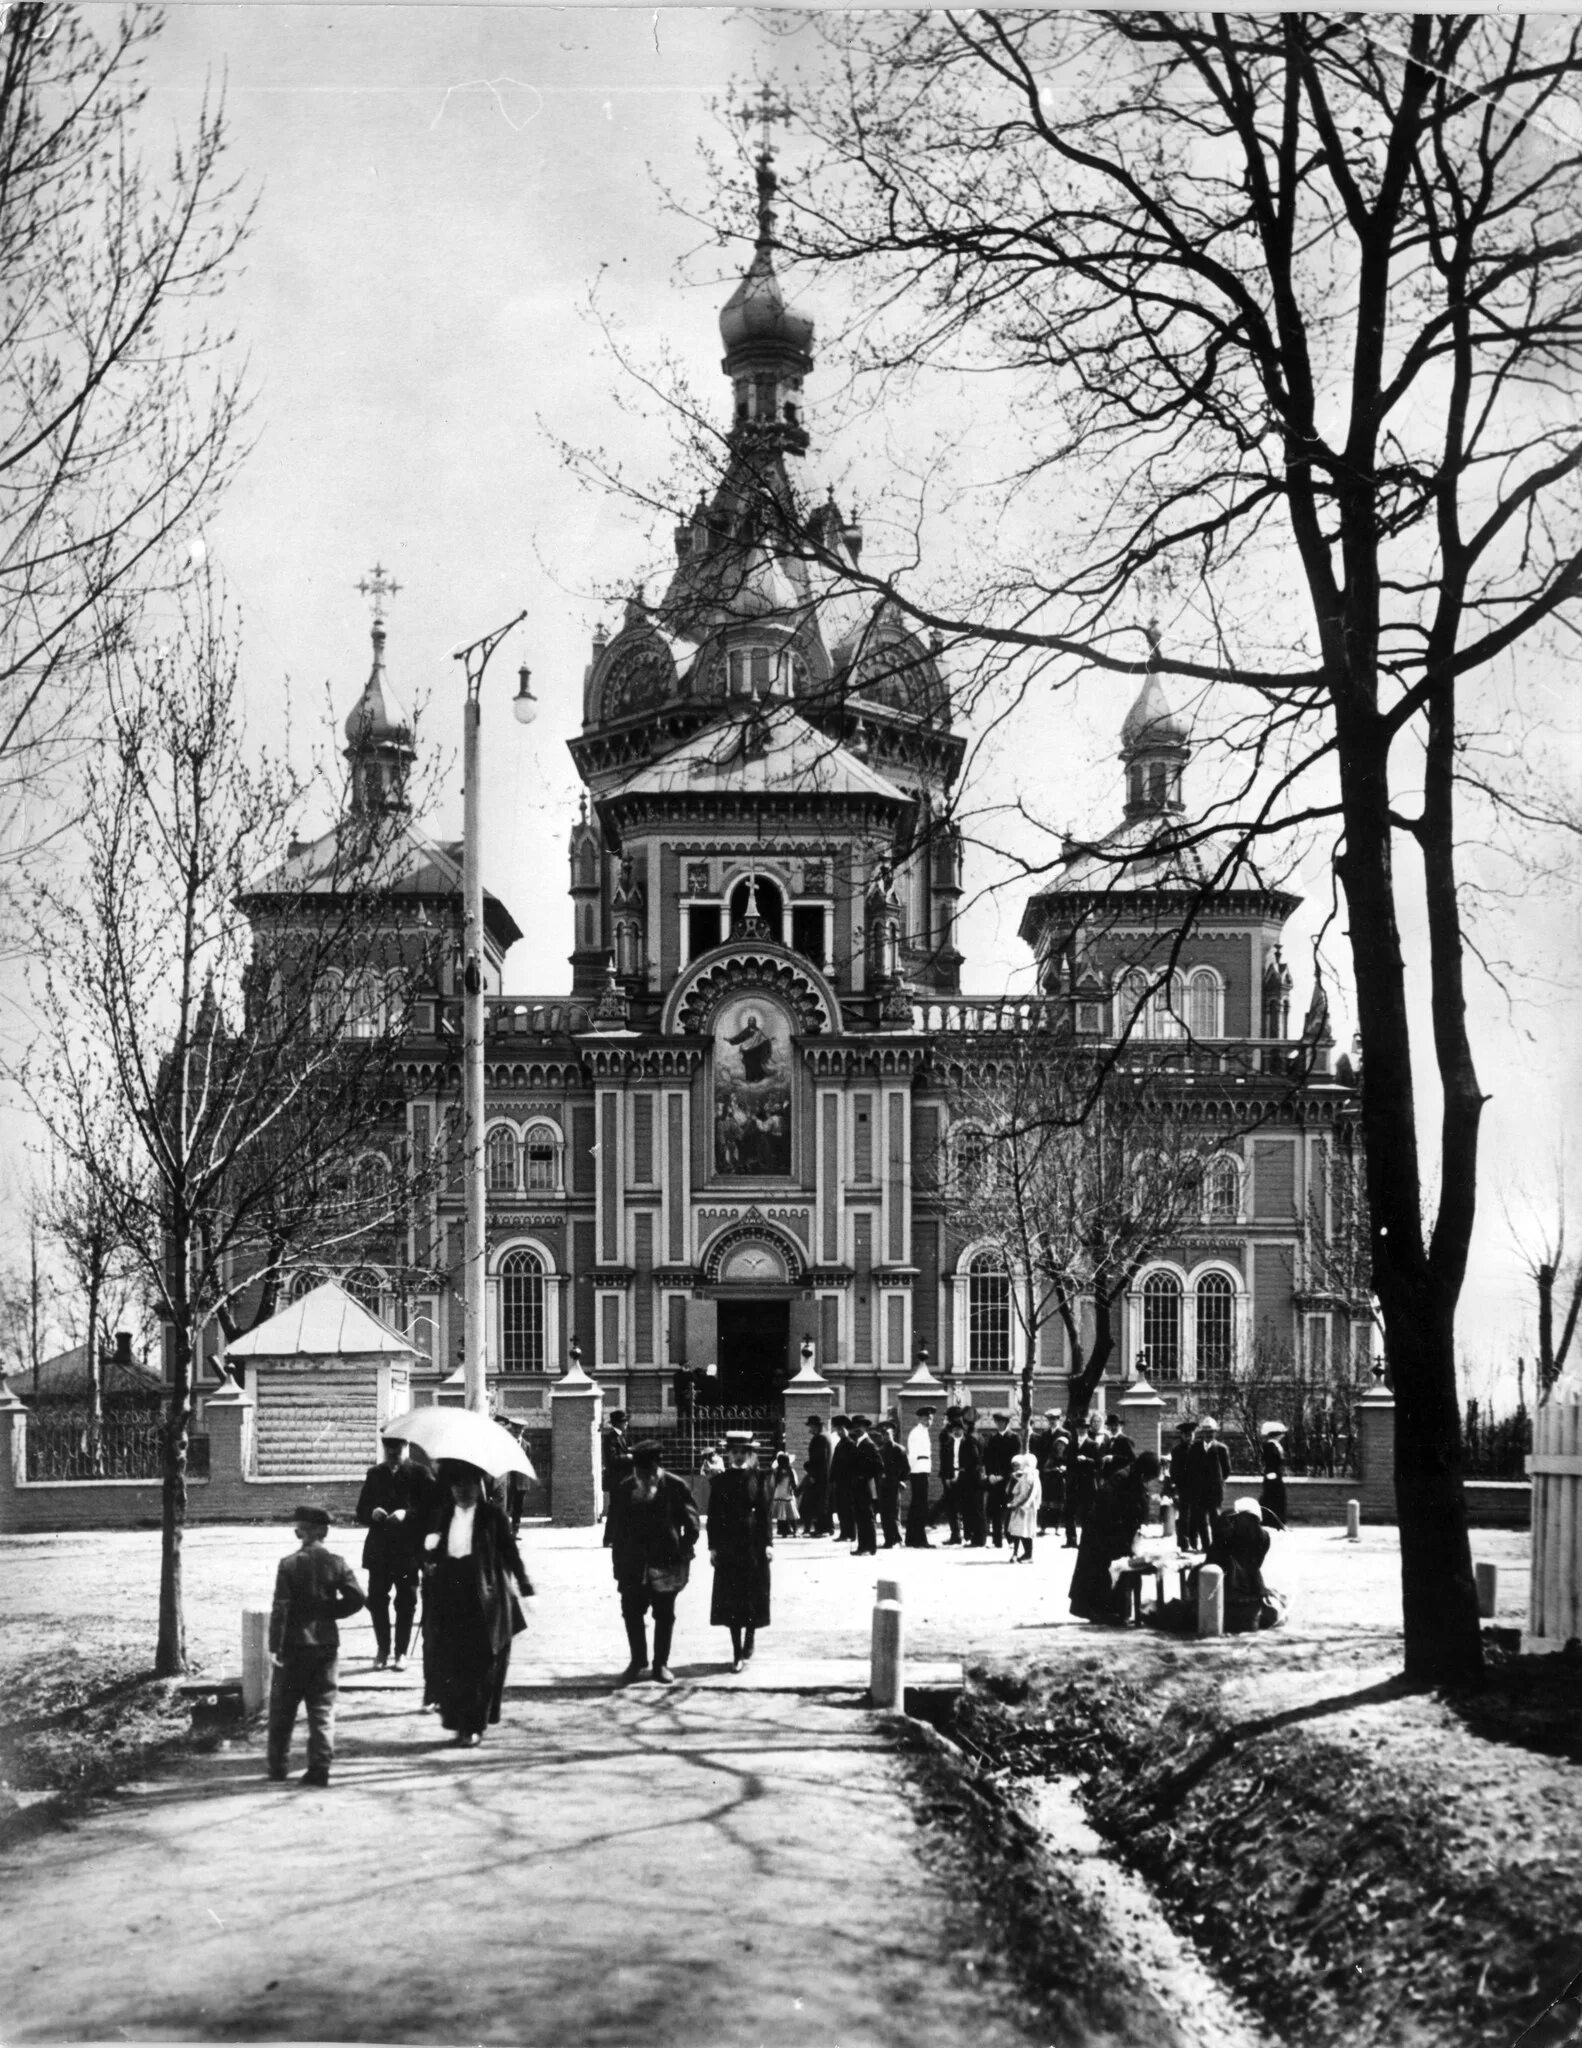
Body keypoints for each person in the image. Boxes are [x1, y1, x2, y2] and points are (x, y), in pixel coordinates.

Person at [420, 1461, 533, 1746]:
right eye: (457, 1486)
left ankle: (474, 1726)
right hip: (449, 1593)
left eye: (468, 1486)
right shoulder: (443, 1514)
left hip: (484, 1595)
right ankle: (457, 1721)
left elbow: (510, 1552)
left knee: (480, 1665)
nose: (462, 1491)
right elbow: (431, 1551)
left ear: (479, 1486)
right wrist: (429, 1560)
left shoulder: (492, 1516)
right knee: (452, 1661)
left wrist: (524, 1583)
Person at [267, 1504, 366, 1786]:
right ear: (325, 1532)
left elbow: (281, 1608)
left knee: (283, 1710)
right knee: (322, 1709)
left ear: (300, 1532)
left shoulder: (288, 1564)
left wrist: (275, 1645)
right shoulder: (337, 1562)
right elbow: (357, 1597)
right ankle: (320, 1767)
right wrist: (330, 1611)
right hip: (325, 1644)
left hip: (294, 1645)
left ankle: (278, 1767)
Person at [606, 1439, 700, 1685]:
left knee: (664, 1614)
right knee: (631, 1612)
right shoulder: (626, 1488)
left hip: (666, 1563)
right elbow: (617, 1531)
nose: (641, 1476)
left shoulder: (675, 1486)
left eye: (646, 1471)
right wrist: (618, 1566)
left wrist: (682, 1550)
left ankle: (660, 1664)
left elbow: (692, 1524)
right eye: (638, 1470)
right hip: (632, 1565)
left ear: (657, 1466)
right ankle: (638, 1661)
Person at [354, 1436, 425, 1671]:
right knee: (377, 1601)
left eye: (398, 1447)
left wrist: (408, 1514)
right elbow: (361, 1510)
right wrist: (371, 1512)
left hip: (408, 1552)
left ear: (407, 1446)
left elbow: (432, 1510)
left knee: (406, 1603)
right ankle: (382, 1650)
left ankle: (401, 1653)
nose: (393, 1452)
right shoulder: (375, 1473)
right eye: (389, 1448)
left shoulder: (420, 1474)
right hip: (380, 1551)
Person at [1068, 1451, 1161, 1625]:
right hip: (1102, 1531)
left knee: (1115, 1569)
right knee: (1099, 1571)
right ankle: (1099, 1611)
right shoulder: (1121, 1478)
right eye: (1148, 1477)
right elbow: (1110, 1507)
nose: (1147, 1481)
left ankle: (1115, 1611)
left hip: (1114, 1531)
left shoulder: (1132, 1476)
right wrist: (1122, 1533)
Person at [708, 1431, 773, 1670]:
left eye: (742, 1453)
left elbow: (765, 1514)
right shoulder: (719, 1481)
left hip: (753, 1546)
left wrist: (768, 1544)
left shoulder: (759, 1478)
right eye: (733, 1452)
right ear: (728, 1454)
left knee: (752, 1594)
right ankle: (736, 1652)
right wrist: (713, 1547)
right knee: (732, 1599)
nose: (737, 1456)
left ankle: (750, 1637)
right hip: (728, 1546)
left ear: (750, 1454)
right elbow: (713, 1516)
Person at [1206, 1497, 1280, 1631]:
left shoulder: (1226, 1533)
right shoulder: (1264, 1537)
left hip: (1223, 1592)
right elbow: (1256, 1566)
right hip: (1249, 1590)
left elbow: (1212, 1558)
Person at [1183, 1416, 1232, 1551]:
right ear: (1201, 1433)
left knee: (1215, 1519)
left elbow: (1227, 1471)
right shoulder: (1195, 1448)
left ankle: (1216, 1546)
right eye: (1205, 1432)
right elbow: (1189, 1469)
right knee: (1201, 1521)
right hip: (1198, 1492)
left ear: (1215, 1433)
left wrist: (1216, 1482)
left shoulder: (1221, 1449)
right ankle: (1206, 1546)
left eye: (1211, 1432)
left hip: (1215, 1492)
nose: (1208, 1435)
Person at [848, 1416, 884, 1556]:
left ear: (865, 1428)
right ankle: (864, 1545)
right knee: (861, 1516)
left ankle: (869, 1546)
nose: (857, 1428)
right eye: (855, 1425)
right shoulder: (858, 1443)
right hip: (858, 1486)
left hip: (865, 1486)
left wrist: (864, 1475)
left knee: (866, 1516)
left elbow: (879, 1465)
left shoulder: (868, 1444)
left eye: (860, 1426)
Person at [1066, 1417, 1104, 1547]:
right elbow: (1066, 1461)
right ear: (1076, 1429)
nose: (1081, 1430)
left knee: (1086, 1514)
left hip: (1087, 1483)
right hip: (1073, 1483)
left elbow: (1098, 1464)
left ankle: (1085, 1541)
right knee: (1069, 1512)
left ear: (1087, 1429)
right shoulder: (1071, 1444)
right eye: (1079, 1428)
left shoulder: (1093, 1444)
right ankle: (1071, 1540)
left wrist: (1086, 1459)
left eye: (1084, 1428)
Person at [981, 1412, 1016, 1547]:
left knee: (1007, 1511)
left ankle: (1011, 1539)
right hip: (994, 1480)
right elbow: (988, 1459)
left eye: (1002, 1422)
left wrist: (1003, 1475)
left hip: (1008, 1480)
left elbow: (1014, 1461)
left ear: (1007, 1423)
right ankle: (997, 1541)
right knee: (995, 1510)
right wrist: (990, 1475)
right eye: (997, 1422)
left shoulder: (1014, 1438)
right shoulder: (992, 1439)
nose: (1000, 1424)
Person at [905, 1405, 936, 1548]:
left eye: (930, 1418)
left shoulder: (923, 1432)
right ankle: (919, 1539)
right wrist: (912, 1471)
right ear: (920, 1418)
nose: (929, 1420)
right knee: (920, 1506)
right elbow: (912, 1455)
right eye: (926, 1418)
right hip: (918, 1471)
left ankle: (912, 1538)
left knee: (917, 1505)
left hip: (922, 1470)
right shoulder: (917, 1433)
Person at [876, 1420, 908, 1548]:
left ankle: (897, 1539)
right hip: (883, 1485)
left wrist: (901, 1480)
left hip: (894, 1485)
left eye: (888, 1433)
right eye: (883, 1434)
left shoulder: (899, 1449)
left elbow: (906, 1468)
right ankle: (888, 1539)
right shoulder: (880, 1450)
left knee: (894, 1512)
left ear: (893, 1433)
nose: (886, 1436)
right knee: (884, 1513)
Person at [935, 1408, 964, 1543]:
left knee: (951, 1504)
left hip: (954, 1473)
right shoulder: (949, 1433)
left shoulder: (948, 1432)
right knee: (952, 1504)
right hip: (951, 1473)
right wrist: (948, 1476)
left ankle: (956, 1534)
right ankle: (957, 1534)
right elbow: (946, 1457)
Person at [1005, 1447, 1039, 1561]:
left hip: (1023, 1508)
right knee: (1022, 1531)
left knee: (1021, 1531)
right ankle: (1022, 1554)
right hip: (1027, 1508)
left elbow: (1024, 1494)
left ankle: (1026, 1554)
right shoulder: (1031, 1475)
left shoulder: (1028, 1476)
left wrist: (1015, 1504)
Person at [1036, 1415, 1068, 1536]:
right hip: (1048, 1478)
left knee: (1058, 1504)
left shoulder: (1065, 1433)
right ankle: (1043, 1527)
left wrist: (1065, 1468)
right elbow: (1041, 1454)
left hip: (1061, 1479)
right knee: (1046, 1503)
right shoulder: (1045, 1434)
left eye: (1054, 1419)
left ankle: (1056, 1527)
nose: (1052, 1422)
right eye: (1050, 1420)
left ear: (1058, 1420)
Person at [959, 1411, 987, 1546]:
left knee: (974, 1508)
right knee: (979, 1508)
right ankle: (980, 1538)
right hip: (978, 1475)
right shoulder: (980, 1436)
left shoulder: (969, 1439)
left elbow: (974, 1457)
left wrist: (966, 1469)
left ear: (965, 1424)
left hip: (971, 1477)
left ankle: (978, 1539)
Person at [801, 1415, 832, 1536]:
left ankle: (822, 1529)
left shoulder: (819, 1438)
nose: (810, 1430)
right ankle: (827, 1528)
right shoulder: (827, 1436)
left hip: (819, 1476)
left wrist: (811, 1472)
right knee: (824, 1502)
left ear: (816, 1427)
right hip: (825, 1475)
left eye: (811, 1427)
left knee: (819, 1503)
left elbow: (818, 1459)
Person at [828, 1415, 857, 1543]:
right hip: (840, 1482)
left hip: (848, 1482)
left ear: (847, 1430)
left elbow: (851, 1464)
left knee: (848, 1508)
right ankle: (844, 1533)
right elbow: (835, 1462)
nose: (840, 1432)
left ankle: (851, 1533)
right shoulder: (840, 1443)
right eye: (838, 1430)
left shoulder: (850, 1444)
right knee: (841, 1508)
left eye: (842, 1430)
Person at [1166, 1418, 1197, 1529]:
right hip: (1183, 1487)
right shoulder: (1177, 1450)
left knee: (1196, 1516)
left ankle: (1193, 1542)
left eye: (1191, 1435)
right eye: (1186, 1435)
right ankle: (1183, 1543)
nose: (1189, 1437)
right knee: (1183, 1515)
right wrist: (1176, 1487)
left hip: (1197, 1487)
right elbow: (1173, 1470)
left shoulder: (1198, 1449)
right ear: (1182, 1436)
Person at [601, 1409, 633, 1511]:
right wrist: (628, 1457)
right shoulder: (611, 1438)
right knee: (617, 1508)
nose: (626, 1423)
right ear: (618, 1423)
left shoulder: (622, 1436)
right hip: (616, 1480)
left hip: (624, 1479)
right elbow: (612, 1459)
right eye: (624, 1421)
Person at [1260, 1422, 1289, 1528]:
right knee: (1272, 1497)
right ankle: (1271, 1520)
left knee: (1276, 1498)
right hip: (1272, 1475)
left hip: (1276, 1474)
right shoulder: (1270, 1445)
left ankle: (1277, 1520)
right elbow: (1270, 1461)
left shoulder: (1275, 1444)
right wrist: (1272, 1474)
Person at [770, 1450, 801, 1538]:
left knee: (781, 1515)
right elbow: (795, 1483)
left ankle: (784, 1531)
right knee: (791, 1515)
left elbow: (772, 1483)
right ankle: (795, 1530)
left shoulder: (776, 1472)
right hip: (787, 1495)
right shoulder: (790, 1471)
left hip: (778, 1495)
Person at [1100, 1412, 1135, 1482]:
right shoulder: (1107, 1440)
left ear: (1120, 1426)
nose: (1113, 1428)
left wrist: (1113, 1458)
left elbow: (1131, 1459)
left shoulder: (1125, 1440)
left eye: (1116, 1425)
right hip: (1108, 1478)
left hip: (1120, 1477)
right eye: (1111, 1425)